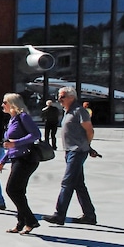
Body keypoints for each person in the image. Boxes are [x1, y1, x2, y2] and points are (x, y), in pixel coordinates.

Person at [42, 86, 97, 226]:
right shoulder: (67, 111)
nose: (59, 99)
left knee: (67, 183)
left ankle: (59, 215)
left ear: (71, 97)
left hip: (77, 151)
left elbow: (89, 131)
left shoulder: (79, 111)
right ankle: (89, 216)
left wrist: (86, 146)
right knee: (78, 184)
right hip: (70, 151)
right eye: (59, 96)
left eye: (62, 96)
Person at [0, 93, 42, 234]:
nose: (2, 105)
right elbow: (9, 145)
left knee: (12, 190)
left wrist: (16, 143)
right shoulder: (12, 119)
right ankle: (21, 224)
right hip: (16, 158)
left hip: (26, 159)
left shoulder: (23, 117)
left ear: (12, 103)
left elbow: (36, 134)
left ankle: (31, 221)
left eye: (4, 102)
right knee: (19, 192)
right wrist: (2, 161)